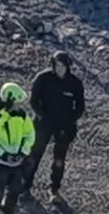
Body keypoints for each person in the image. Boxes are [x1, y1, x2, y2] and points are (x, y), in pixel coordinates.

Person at [32, 52, 88, 195]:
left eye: (63, 66)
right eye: (57, 65)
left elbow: (80, 106)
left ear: (68, 66)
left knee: (59, 160)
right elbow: (33, 101)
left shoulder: (75, 83)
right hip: (43, 124)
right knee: (34, 155)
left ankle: (54, 189)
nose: (60, 69)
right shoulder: (43, 78)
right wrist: (42, 116)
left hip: (64, 126)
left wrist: (70, 120)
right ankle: (25, 185)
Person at [0, 81, 41, 212]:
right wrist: (3, 154)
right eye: (17, 103)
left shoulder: (22, 115)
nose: (19, 106)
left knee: (12, 198)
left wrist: (23, 152)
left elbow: (29, 134)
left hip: (17, 166)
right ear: (9, 101)